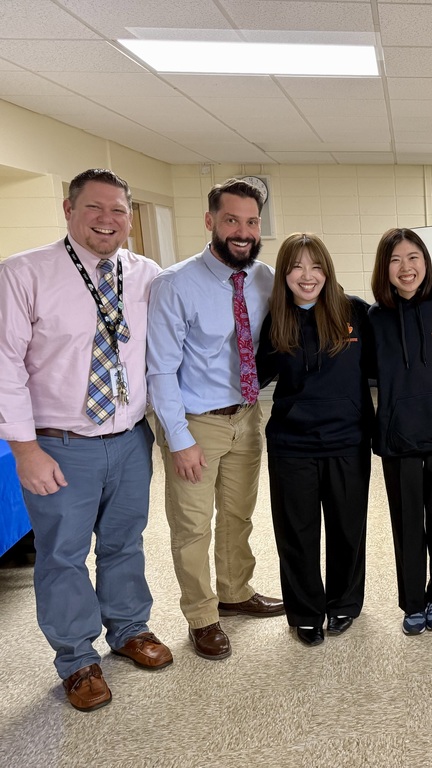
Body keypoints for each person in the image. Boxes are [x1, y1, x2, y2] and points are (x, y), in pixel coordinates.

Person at [0, 169, 170, 712]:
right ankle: (76, 659)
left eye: (118, 210)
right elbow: (5, 365)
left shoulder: (146, 275)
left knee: (125, 541)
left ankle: (129, 628)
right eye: (94, 207)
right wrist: (25, 449)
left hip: (130, 438)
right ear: (69, 209)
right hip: (59, 444)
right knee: (62, 554)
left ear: (129, 218)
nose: (107, 220)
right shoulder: (23, 273)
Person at [148, 178, 283, 661]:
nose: (243, 232)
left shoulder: (265, 278)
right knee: (192, 526)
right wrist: (179, 438)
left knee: (238, 514)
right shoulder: (174, 284)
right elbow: (160, 369)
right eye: (231, 220)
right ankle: (202, 616)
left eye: (252, 222)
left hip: (247, 414)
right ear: (210, 221)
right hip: (195, 422)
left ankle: (235, 591)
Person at [256, 233, 373, 646]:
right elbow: (256, 374)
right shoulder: (276, 319)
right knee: (297, 533)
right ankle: (305, 612)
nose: (307, 276)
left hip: (347, 440)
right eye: (297, 267)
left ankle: (344, 603)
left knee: (347, 529)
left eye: (316, 266)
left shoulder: (355, 312)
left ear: (328, 270)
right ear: (284, 274)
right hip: (292, 444)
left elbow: (384, 366)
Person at [368, 229, 432, 635]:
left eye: (413, 258)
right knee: (407, 524)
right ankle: (412, 602)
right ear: (384, 268)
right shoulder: (375, 318)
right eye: (395, 260)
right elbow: (369, 373)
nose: (406, 268)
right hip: (399, 435)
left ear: (425, 261)